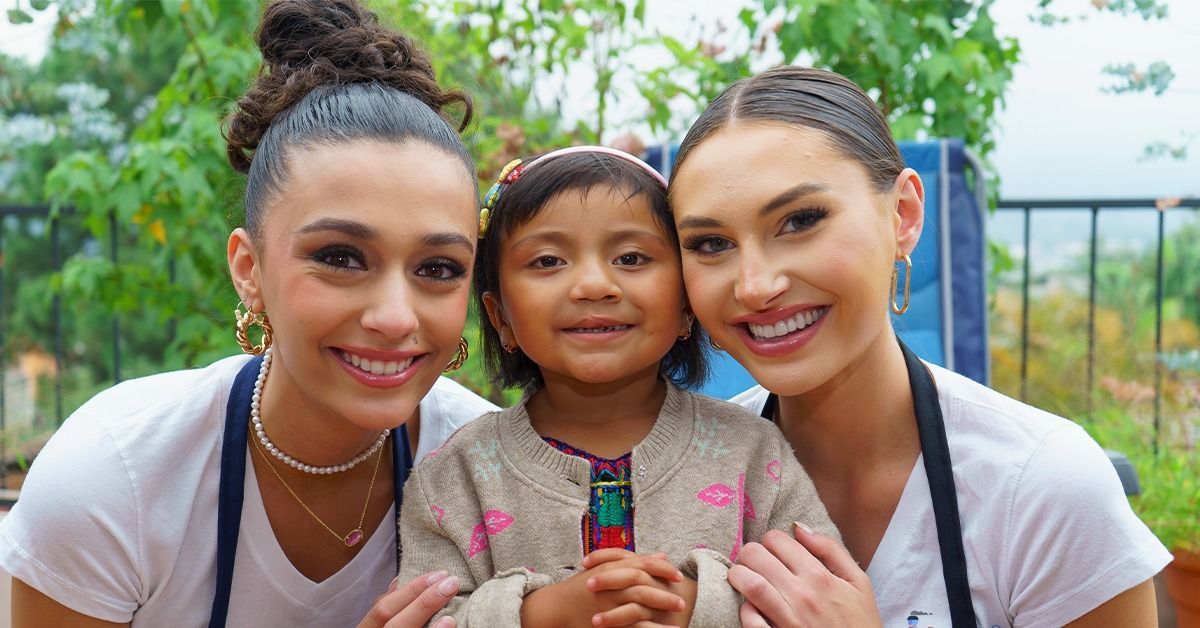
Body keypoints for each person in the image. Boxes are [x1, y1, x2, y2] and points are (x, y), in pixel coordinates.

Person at [0, 1, 496, 625]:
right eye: (341, 257)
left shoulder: (495, 473)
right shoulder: (114, 479)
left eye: (438, 269)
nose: (396, 317)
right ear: (249, 269)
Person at [665, 65, 1172, 627]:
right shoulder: (675, 480)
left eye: (800, 220)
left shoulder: (1039, 488)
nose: (756, 286)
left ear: (902, 214)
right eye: (711, 243)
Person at [395, 146, 840, 627]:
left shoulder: (755, 456)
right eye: (547, 261)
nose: (593, 285)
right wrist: (539, 615)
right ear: (500, 316)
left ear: (687, 302)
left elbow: (819, 602)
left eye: (630, 257)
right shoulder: (454, 477)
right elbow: (424, 616)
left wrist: (692, 606)